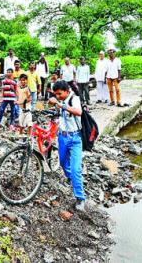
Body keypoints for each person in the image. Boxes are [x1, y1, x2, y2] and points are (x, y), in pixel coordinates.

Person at [48, 80, 85, 211]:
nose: (58, 96)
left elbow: (78, 112)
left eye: (60, 94)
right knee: (63, 163)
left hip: (75, 138)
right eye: (56, 94)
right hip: (62, 137)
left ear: (67, 91)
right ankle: (71, 178)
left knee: (76, 169)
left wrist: (60, 105)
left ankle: (80, 198)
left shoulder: (74, 99)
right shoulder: (60, 100)